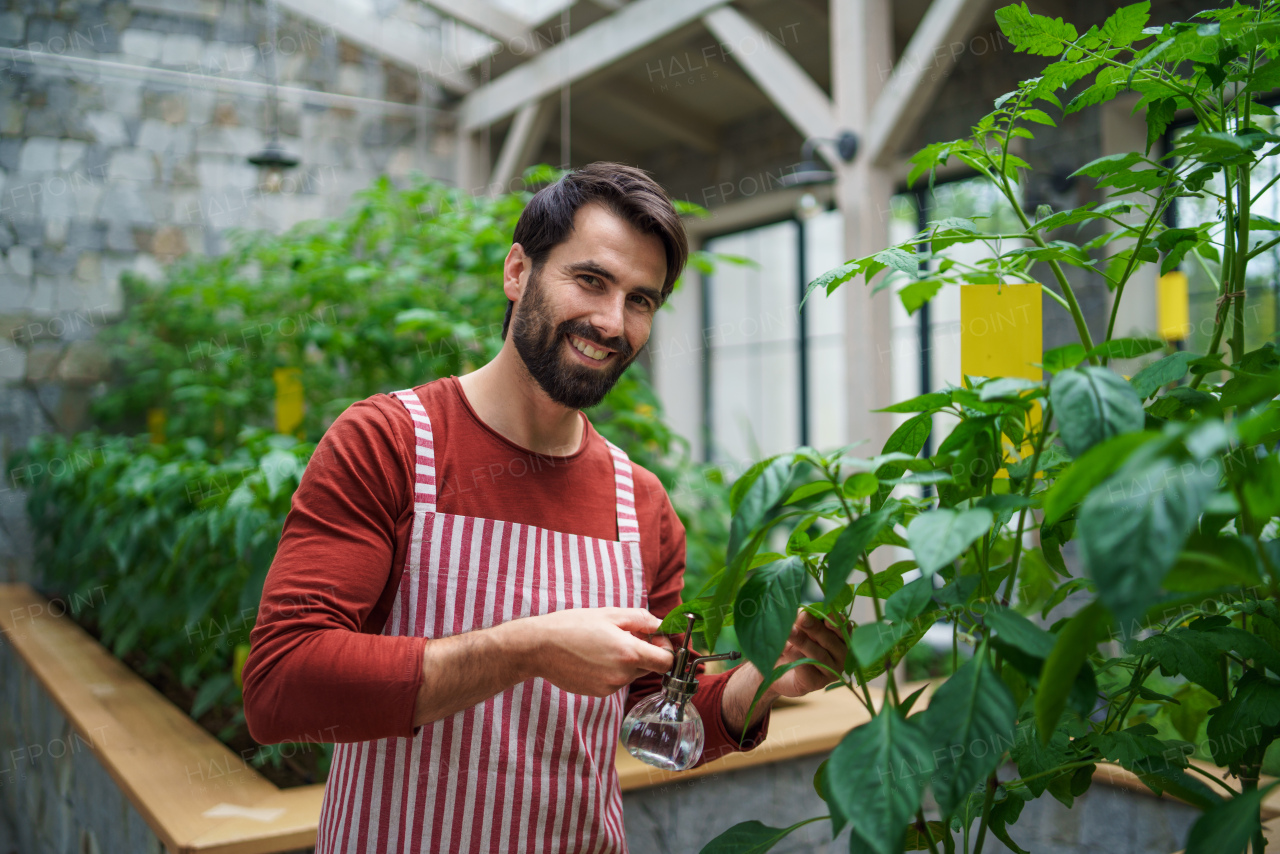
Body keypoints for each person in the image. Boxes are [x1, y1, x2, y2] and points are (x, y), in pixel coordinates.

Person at [241, 162, 848, 853]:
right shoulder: (390, 444)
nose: (611, 322)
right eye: (590, 280)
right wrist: (526, 649)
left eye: (641, 300)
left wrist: (758, 682)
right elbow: (282, 684)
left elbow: (656, 713)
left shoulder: (641, 504)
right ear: (517, 272)